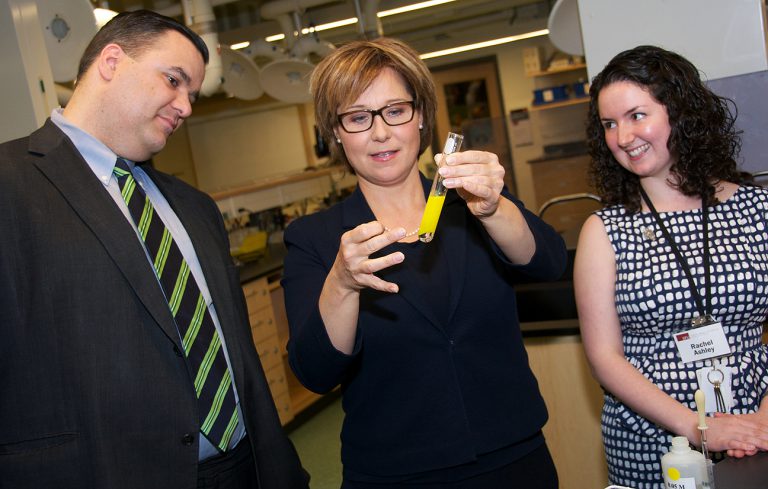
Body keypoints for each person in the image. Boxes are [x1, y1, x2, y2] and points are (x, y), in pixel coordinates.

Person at [0, 10, 308, 489]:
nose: (185, 106)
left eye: (192, 94)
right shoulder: (10, 184)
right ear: (111, 61)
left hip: (244, 469)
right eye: (173, 80)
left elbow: (237, 358)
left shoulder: (194, 206)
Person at [281, 37, 566, 488]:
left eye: (396, 110)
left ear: (422, 117)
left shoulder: (473, 204)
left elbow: (548, 263)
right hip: (397, 472)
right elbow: (314, 372)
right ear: (335, 132)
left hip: (514, 456)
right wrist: (342, 282)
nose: (380, 132)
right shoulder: (316, 239)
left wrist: (495, 208)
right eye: (358, 118)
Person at [574, 44, 768, 488]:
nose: (623, 137)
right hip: (651, 446)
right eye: (609, 124)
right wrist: (698, 426)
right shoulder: (605, 231)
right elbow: (605, 358)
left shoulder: (757, 209)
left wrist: (761, 420)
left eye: (637, 115)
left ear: (680, 113)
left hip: (757, 432)